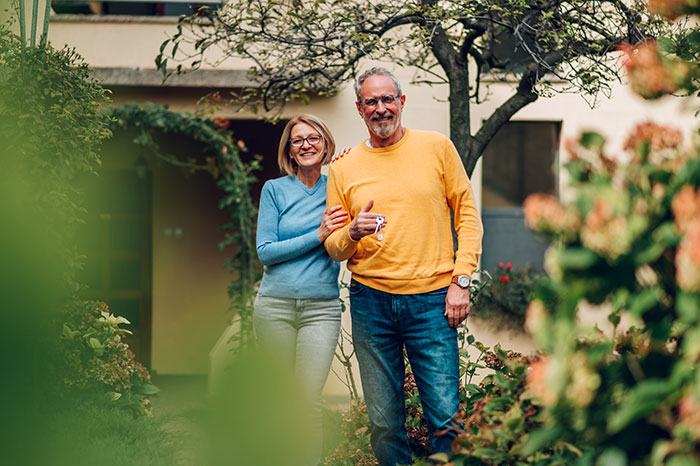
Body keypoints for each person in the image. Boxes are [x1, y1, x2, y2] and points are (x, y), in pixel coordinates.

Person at [324, 67, 483, 466]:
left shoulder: (437, 148)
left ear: (401, 102)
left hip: (432, 302)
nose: (380, 108)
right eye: (371, 102)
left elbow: (467, 215)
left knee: (446, 418)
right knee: (383, 422)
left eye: (387, 99)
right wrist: (353, 233)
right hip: (371, 303)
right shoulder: (344, 167)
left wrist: (461, 279)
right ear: (360, 110)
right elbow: (334, 247)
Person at [254, 114, 348, 466]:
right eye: (298, 140)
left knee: (308, 400)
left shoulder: (339, 189)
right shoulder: (274, 190)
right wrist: (318, 235)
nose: (306, 145)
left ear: (325, 145)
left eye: (314, 138)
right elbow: (266, 252)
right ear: (290, 151)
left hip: (321, 310)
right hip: (274, 307)